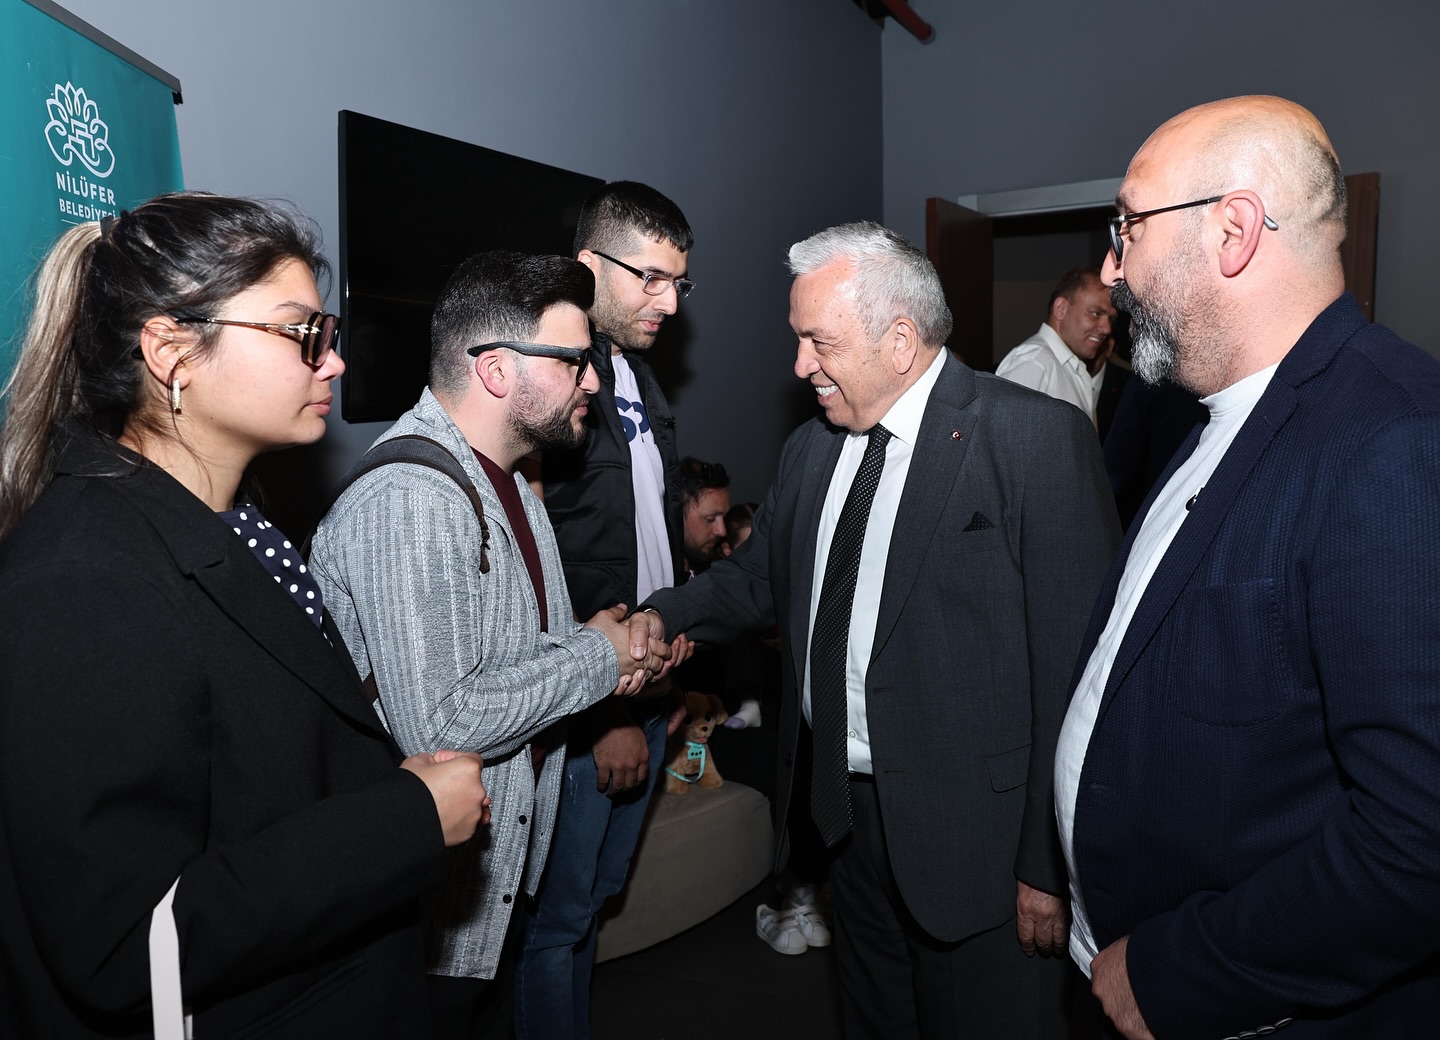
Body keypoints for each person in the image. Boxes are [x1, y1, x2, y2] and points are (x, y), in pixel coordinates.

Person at [0, 192, 491, 1039]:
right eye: (302, 333)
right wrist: (405, 819)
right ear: (172, 353)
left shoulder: (231, 518)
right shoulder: (85, 578)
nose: (333, 363)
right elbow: (124, 946)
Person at [644, 221, 1120, 1037]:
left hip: (982, 849)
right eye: (798, 339)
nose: (800, 365)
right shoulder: (809, 450)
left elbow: (1079, 673)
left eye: (818, 342)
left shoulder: (1033, 438)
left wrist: (1049, 866)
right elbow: (757, 581)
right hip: (846, 824)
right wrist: (657, 617)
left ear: (899, 341)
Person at [1056, 96, 1440, 1040]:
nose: (1113, 268)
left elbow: (1418, 839)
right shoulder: (1207, 413)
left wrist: (1178, 971)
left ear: (1232, 230)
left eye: (1128, 226)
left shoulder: (1394, 440)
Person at [308, 251, 673, 1038]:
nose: (593, 381)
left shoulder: (509, 479)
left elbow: (523, 653)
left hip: (487, 892)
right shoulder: (413, 499)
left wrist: (610, 642)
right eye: (573, 362)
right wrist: (599, 657)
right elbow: (443, 725)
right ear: (497, 369)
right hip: (424, 921)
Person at [514, 181, 695, 1040]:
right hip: (591, 702)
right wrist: (604, 717)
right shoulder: (551, 382)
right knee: (556, 922)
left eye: (678, 282)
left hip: (651, 683)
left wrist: (677, 645)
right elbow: (534, 567)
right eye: (650, 277)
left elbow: (652, 529)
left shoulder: (638, 376)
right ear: (589, 265)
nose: (670, 301)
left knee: (594, 899)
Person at [996, 266, 1117, 429]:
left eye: (1111, 319)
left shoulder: (1067, 367)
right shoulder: (1034, 364)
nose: (1107, 328)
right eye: (1096, 313)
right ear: (1061, 309)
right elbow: (1000, 438)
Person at [678, 456, 730, 572]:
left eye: (724, 517)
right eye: (710, 519)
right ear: (677, 515)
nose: (722, 531)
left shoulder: (718, 571)